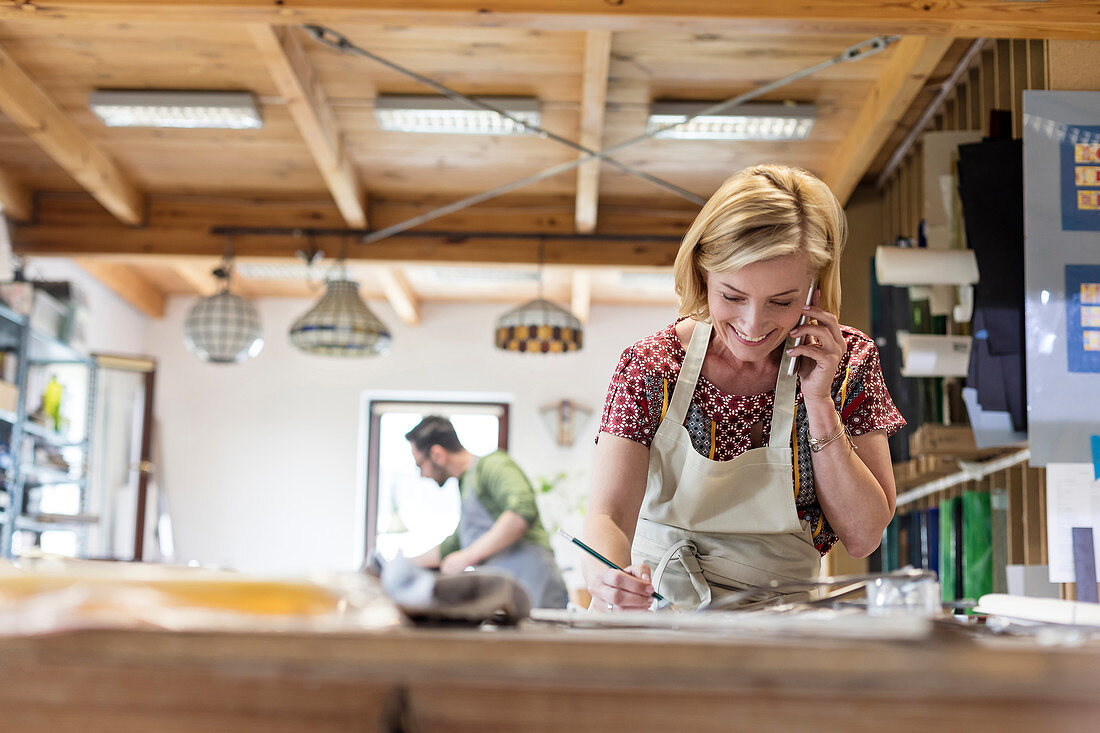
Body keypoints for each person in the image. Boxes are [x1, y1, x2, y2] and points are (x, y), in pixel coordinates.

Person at [583, 164, 906, 612]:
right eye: (733, 296)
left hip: (780, 629)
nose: (754, 325)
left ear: (814, 288)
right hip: (655, 612)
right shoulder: (652, 365)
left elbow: (864, 535)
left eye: (782, 301)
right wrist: (607, 578)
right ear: (702, 275)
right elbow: (609, 516)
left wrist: (818, 400)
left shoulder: (849, 363)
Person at [405, 415, 569, 609]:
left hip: (533, 585)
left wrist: (467, 557)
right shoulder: (466, 484)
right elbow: (451, 547)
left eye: (420, 465)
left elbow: (521, 512)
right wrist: (405, 564)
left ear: (437, 454)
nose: (422, 475)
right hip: (508, 594)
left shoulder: (493, 465)